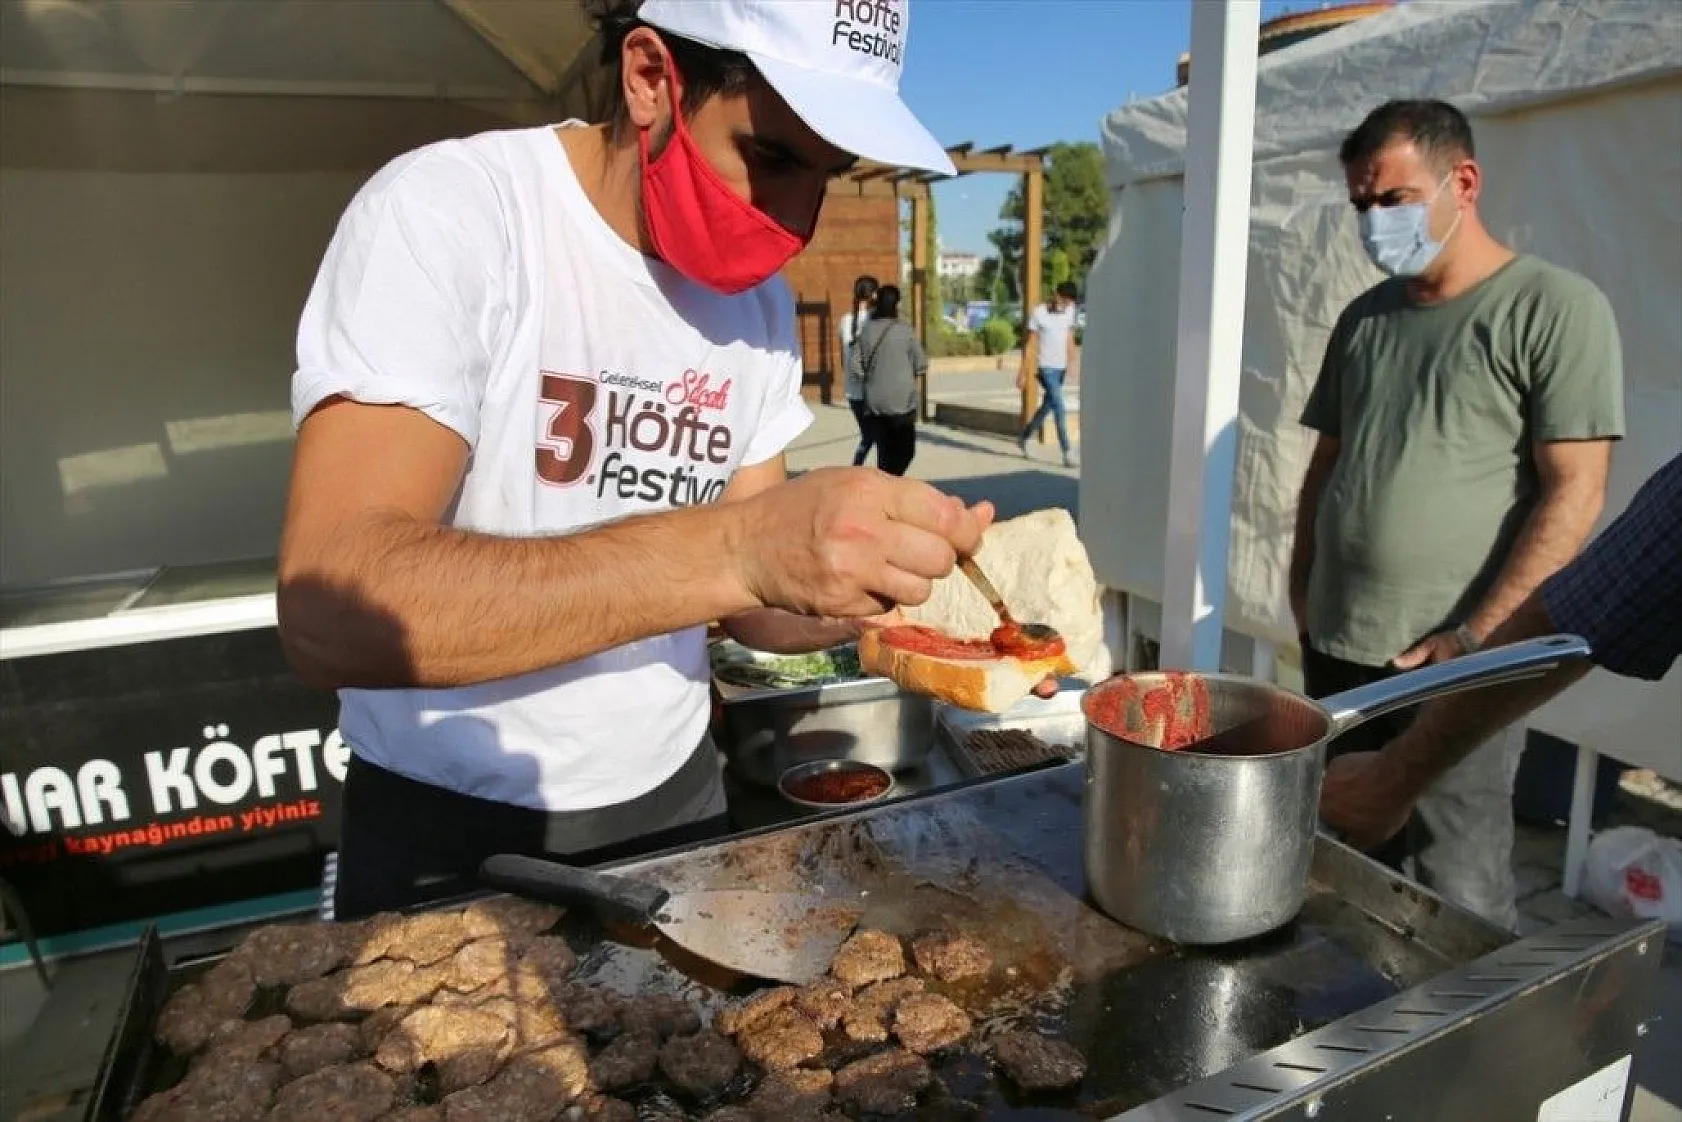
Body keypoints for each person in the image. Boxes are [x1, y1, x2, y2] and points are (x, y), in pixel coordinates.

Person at [276, 0, 974, 920]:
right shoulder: (456, 213)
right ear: (651, 78)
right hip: (450, 827)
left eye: (827, 175)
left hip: (680, 798)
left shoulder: (756, 307)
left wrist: (892, 580)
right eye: (770, 159)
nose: (796, 219)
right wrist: (736, 549)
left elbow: (754, 610)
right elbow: (333, 605)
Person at [1290, 99, 1625, 929]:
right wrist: (1303, 584)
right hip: (1339, 654)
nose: (1374, 221)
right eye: (1361, 204)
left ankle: (1467, 1054)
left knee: (1454, 890)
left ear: (1462, 182)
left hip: (1459, 668)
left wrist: (1477, 638)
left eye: (1392, 199)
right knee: (1336, 868)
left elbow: (1575, 491)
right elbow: (1328, 462)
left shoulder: (1553, 308)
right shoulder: (1366, 319)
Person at [1322, 453, 1682, 850]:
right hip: (1356, 642)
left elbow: (1574, 608)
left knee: (1460, 863)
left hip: (1464, 661)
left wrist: (1472, 639)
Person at [849, 285, 926, 477]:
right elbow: (921, 364)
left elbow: (855, 365)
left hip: (875, 402)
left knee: (884, 451)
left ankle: (887, 482)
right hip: (903, 402)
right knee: (906, 451)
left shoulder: (866, 331)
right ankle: (893, 481)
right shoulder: (905, 331)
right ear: (897, 305)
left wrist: (872, 378)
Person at [1017, 281, 1080, 469]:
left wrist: (1072, 360)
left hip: (1059, 367)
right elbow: (1030, 345)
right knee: (1059, 406)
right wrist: (1023, 372)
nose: (1065, 306)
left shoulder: (1070, 311)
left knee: (1047, 406)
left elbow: (1069, 336)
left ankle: (1025, 437)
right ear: (1056, 295)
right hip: (1045, 367)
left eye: (1069, 303)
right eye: (1063, 301)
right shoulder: (1039, 313)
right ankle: (1067, 451)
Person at [840, 274, 880, 467]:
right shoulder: (877, 321)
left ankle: (857, 468)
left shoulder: (846, 321)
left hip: (852, 390)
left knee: (869, 435)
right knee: (875, 436)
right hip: (873, 390)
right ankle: (858, 469)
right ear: (874, 294)